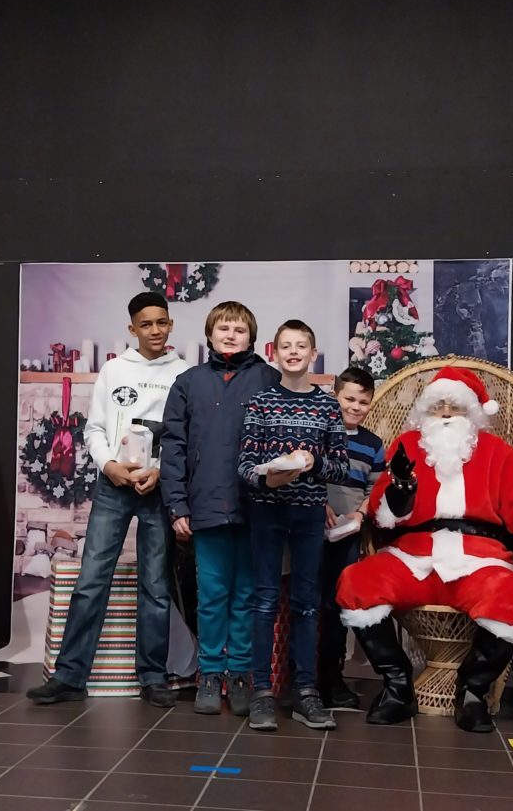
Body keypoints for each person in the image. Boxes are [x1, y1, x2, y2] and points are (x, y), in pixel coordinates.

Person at [336, 366, 513, 731]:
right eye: (438, 407)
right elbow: (383, 512)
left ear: (472, 413)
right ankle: (397, 685)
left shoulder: (497, 452)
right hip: (412, 553)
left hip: (478, 558)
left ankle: (472, 691)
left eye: (454, 408)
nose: (445, 416)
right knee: (357, 583)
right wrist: (401, 489)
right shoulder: (409, 444)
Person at [28, 292, 189, 706]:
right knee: (91, 579)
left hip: (157, 488)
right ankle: (69, 676)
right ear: (132, 329)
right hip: (114, 486)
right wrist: (109, 465)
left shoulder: (184, 374)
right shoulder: (114, 370)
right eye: (146, 324)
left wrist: (161, 471)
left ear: (171, 324)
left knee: (156, 586)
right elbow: (95, 429)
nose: (155, 330)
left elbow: (183, 437)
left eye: (162, 322)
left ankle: (153, 676)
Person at [161, 301, 280, 718]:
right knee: (211, 595)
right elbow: (174, 448)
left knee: (245, 595)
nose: (231, 335)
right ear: (210, 334)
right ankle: (210, 673)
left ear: (252, 338)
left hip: (255, 507)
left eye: (239, 330)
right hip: (206, 505)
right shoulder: (188, 383)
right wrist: (177, 505)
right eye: (223, 328)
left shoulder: (269, 379)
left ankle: (240, 674)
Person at [236, 320, 349, 731]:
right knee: (265, 600)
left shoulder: (327, 406)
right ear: (274, 353)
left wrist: (313, 463)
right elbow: (245, 466)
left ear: (313, 353)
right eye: (286, 346)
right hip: (267, 511)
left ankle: (305, 691)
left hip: (308, 513)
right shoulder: (261, 402)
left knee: (306, 602)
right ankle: (262, 692)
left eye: (301, 346)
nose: (294, 352)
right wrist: (267, 479)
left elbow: (340, 467)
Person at [319, 366, 386, 710]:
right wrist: (319, 503)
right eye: (349, 399)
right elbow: (305, 473)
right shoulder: (320, 433)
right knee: (308, 601)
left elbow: (376, 488)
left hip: (347, 536)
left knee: (336, 604)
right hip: (311, 529)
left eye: (363, 402)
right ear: (335, 396)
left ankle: (332, 676)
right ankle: (302, 675)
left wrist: (360, 514)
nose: (355, 407)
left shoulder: (373, 444)